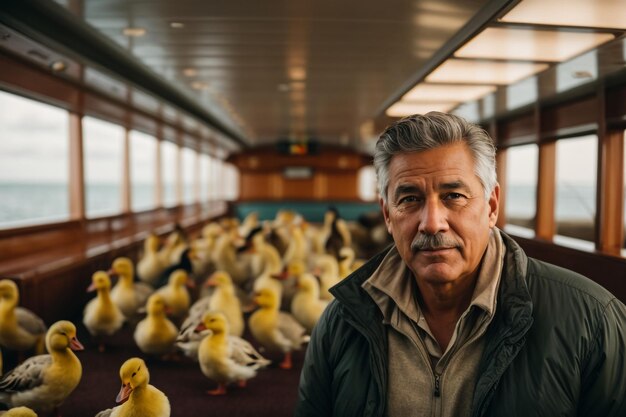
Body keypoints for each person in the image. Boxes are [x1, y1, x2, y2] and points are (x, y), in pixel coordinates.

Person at [295, 112, 626, 416]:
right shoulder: (342, 321)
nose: (432, 223)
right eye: (409, 199)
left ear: (492, 205)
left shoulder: (592, 320)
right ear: (387, 215)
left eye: (453, 196)